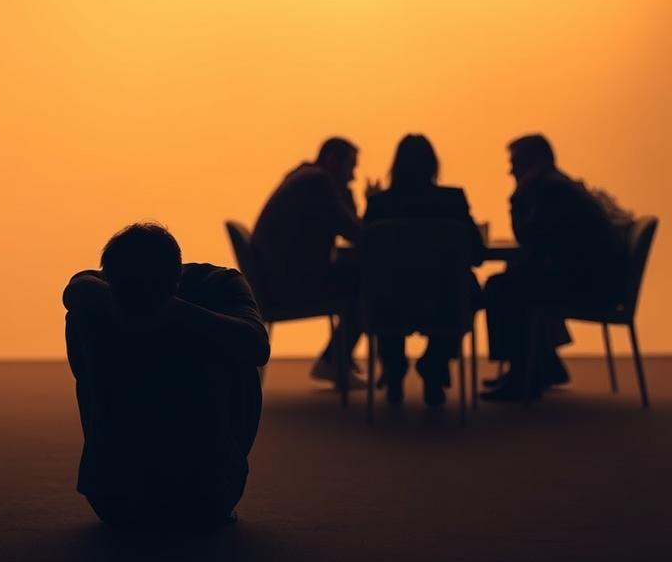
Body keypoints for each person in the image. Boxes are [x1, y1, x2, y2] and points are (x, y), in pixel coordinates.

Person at [63, 223, 268, 530]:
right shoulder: (224, 287)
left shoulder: (218, 284)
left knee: (87, 321)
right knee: (235, 356)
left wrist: (165, 316)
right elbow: (76, 288)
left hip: (114, 503)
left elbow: (256, 346)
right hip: (207, 502)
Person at [481, 134, 628, 401]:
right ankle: (540, 367)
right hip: (595, 279)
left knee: (501, 288)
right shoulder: (557, 187)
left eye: (516, 162)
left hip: (590, 286)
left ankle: (523, 374)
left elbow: (530, 237)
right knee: (514, 279)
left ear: (534, 162)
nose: (511, 170)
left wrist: (515, 199)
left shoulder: (552, 191)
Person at [363, 134, 485, 406]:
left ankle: (393, 369)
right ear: (433, 165)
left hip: (390, 302)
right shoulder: (453, 201)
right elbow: (477, 254)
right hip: (444, 302)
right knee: (471, 289)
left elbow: (363, 256)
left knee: (378, 286)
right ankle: (435, 362)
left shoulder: (379, 205)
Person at [251, 137, 364, 387]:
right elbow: (354, 231)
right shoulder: (318, 182)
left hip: (280, 280)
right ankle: (334, 359)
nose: (353, 176)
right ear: (333, 160)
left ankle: (338, 356)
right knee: (369, 282)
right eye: (350, 168)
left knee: (358, 277)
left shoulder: (303, 176)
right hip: (293, 285)